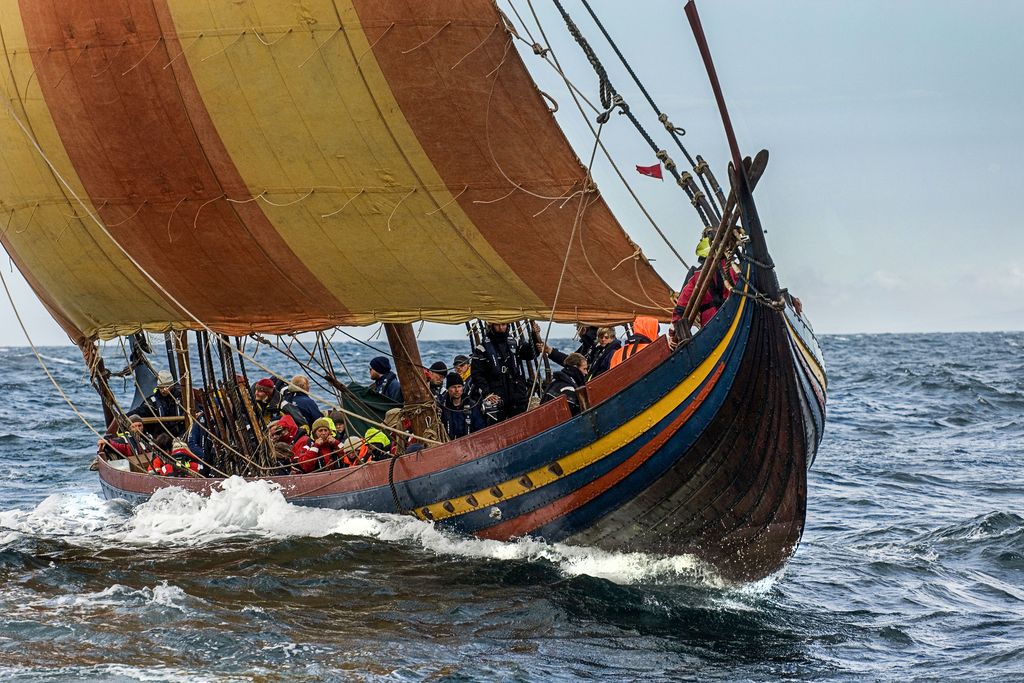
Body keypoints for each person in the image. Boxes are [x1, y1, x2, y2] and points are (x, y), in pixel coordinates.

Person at [471, 321, 538, 421]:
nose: (501, 328)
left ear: (508, 325)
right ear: (491, 326)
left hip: (516, 394)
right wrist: (487, 393)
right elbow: (476, 375)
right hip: (497, 395)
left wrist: (534, 335)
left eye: (503, 324)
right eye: (497, 325)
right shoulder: (482, 348)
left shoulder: (515, 342)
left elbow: (531, 354)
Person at [439, 372, 486, 439]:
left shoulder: (472, 405)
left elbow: (480, 427)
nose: (457, 390)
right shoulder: (442, 407)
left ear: (463, 388)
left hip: (469, 443)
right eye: (453, 387)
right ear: (448, 389)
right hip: (449, 444)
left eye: (459, 386)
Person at [139, 370, 185, 437]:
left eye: (166, 387)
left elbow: (196, 408)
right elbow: (141, 411)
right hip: (160, 437)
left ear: (172, 386)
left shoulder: (182, 398)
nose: (163, 390)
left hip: (181, 434)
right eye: (161, 387)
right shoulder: (153, 401)